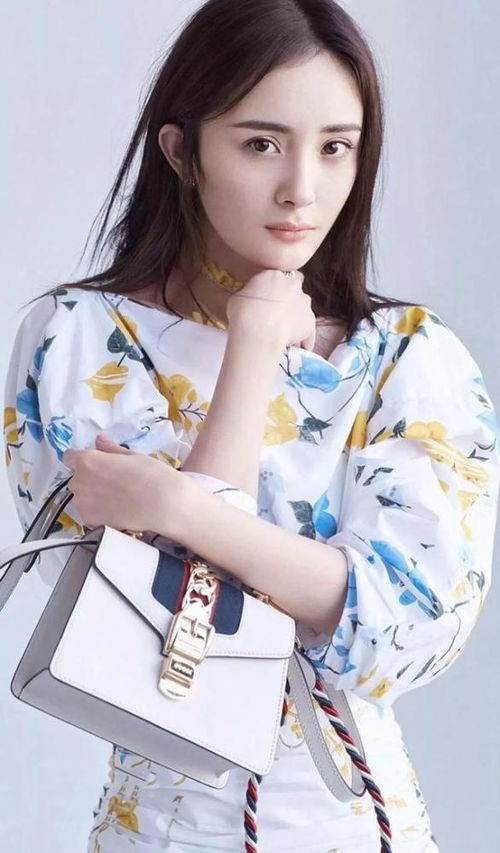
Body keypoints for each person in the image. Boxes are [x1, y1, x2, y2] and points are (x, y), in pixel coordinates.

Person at [3, 1, 499, 851]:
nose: (302, 188)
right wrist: (254, 346)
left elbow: (405, 631)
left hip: (360, 827)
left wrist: (181, 507)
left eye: (335, 147)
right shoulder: (79, 339)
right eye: (262, 143)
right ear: (181, 151)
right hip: (161, 830)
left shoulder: (412, 359)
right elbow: (157, 626)